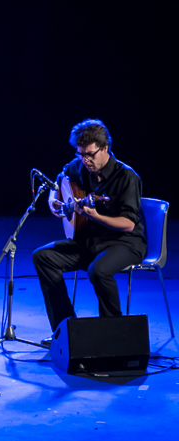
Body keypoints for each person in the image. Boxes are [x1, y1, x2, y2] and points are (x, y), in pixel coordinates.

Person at [32, 119, 146, 333]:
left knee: (98, 270)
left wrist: (95, 216)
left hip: (125, 243)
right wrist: (52, 200)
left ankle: (113, 331)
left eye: (90, 155)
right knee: (42, 257)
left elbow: (129, 224)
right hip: (90, 241)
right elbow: (58, 182)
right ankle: (66, 330)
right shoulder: (79, 167)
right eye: (80, 154)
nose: (85, 160)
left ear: (105, 149)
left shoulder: (127, 177)